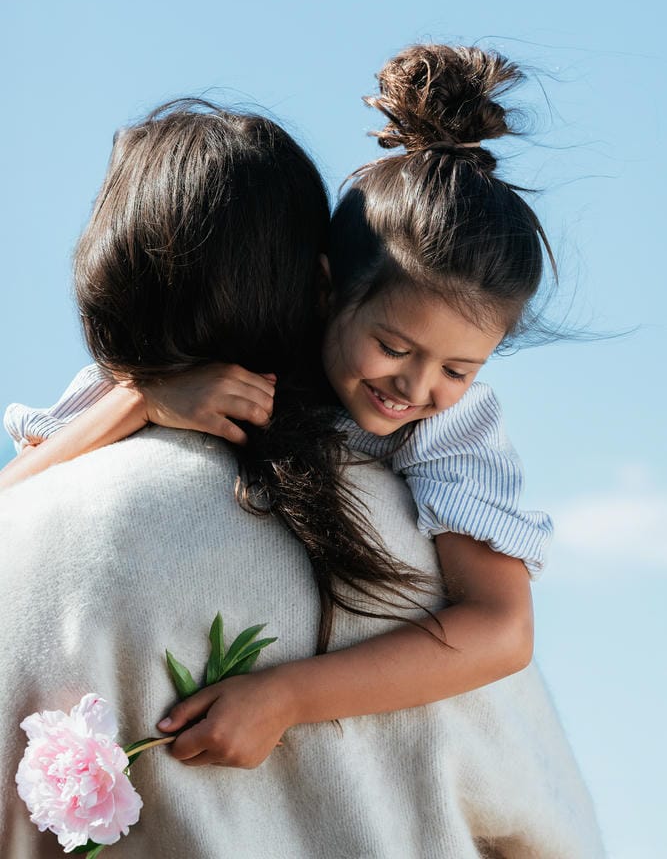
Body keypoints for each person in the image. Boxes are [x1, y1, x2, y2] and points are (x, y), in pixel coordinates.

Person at [0, 93, 604, 858]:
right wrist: (145, 396)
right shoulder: (206, 380)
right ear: (322, 292)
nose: (417, 388)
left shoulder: (451, 432)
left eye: (458, 368)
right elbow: (15, 498)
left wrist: (286, 695)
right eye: (394, 345)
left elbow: (502, 630)